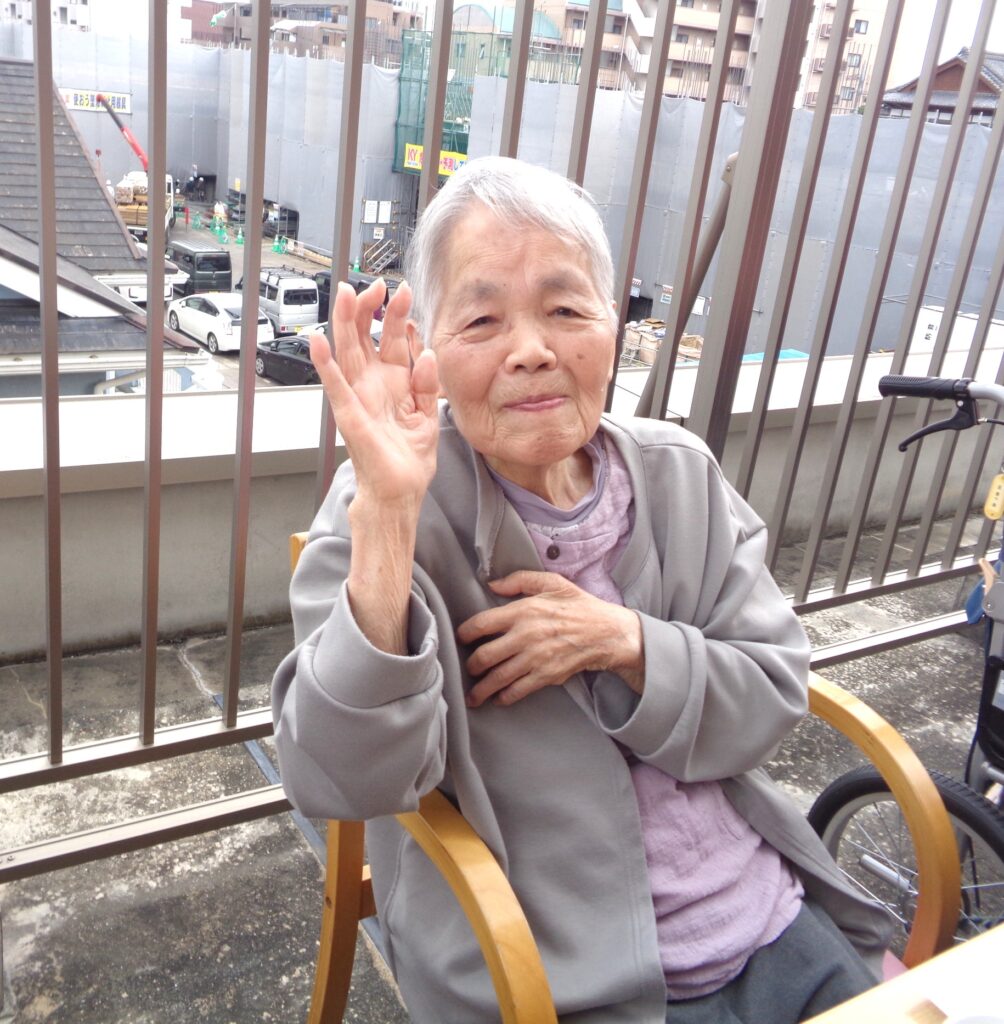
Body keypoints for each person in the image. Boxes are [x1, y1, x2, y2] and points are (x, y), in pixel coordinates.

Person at [271, 157, 892, 1024]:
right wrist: (386, 515)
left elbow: (772, 693)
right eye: (482, 319)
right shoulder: (386, 505)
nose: (533, 349)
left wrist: (625, 642)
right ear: (431, 349)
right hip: (551, 973)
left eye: (566, 310)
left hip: (768, 918)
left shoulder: (680, 476)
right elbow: (335, 776)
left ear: (614, 326)